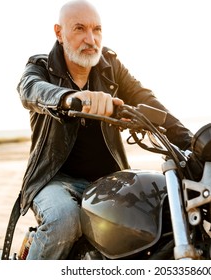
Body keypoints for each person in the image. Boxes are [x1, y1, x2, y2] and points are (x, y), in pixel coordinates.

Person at [16, 0, 193, 259]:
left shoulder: (110, 66)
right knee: (63, 219)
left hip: (107, 180)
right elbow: (30, 90)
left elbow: (146, 100)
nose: (91, 39)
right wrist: (69, 99)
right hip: (54, 179)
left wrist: (189, 141)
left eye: (97, 29)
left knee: (158, 211)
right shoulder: (42, 67)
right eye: (79, 29)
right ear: (59, 33)